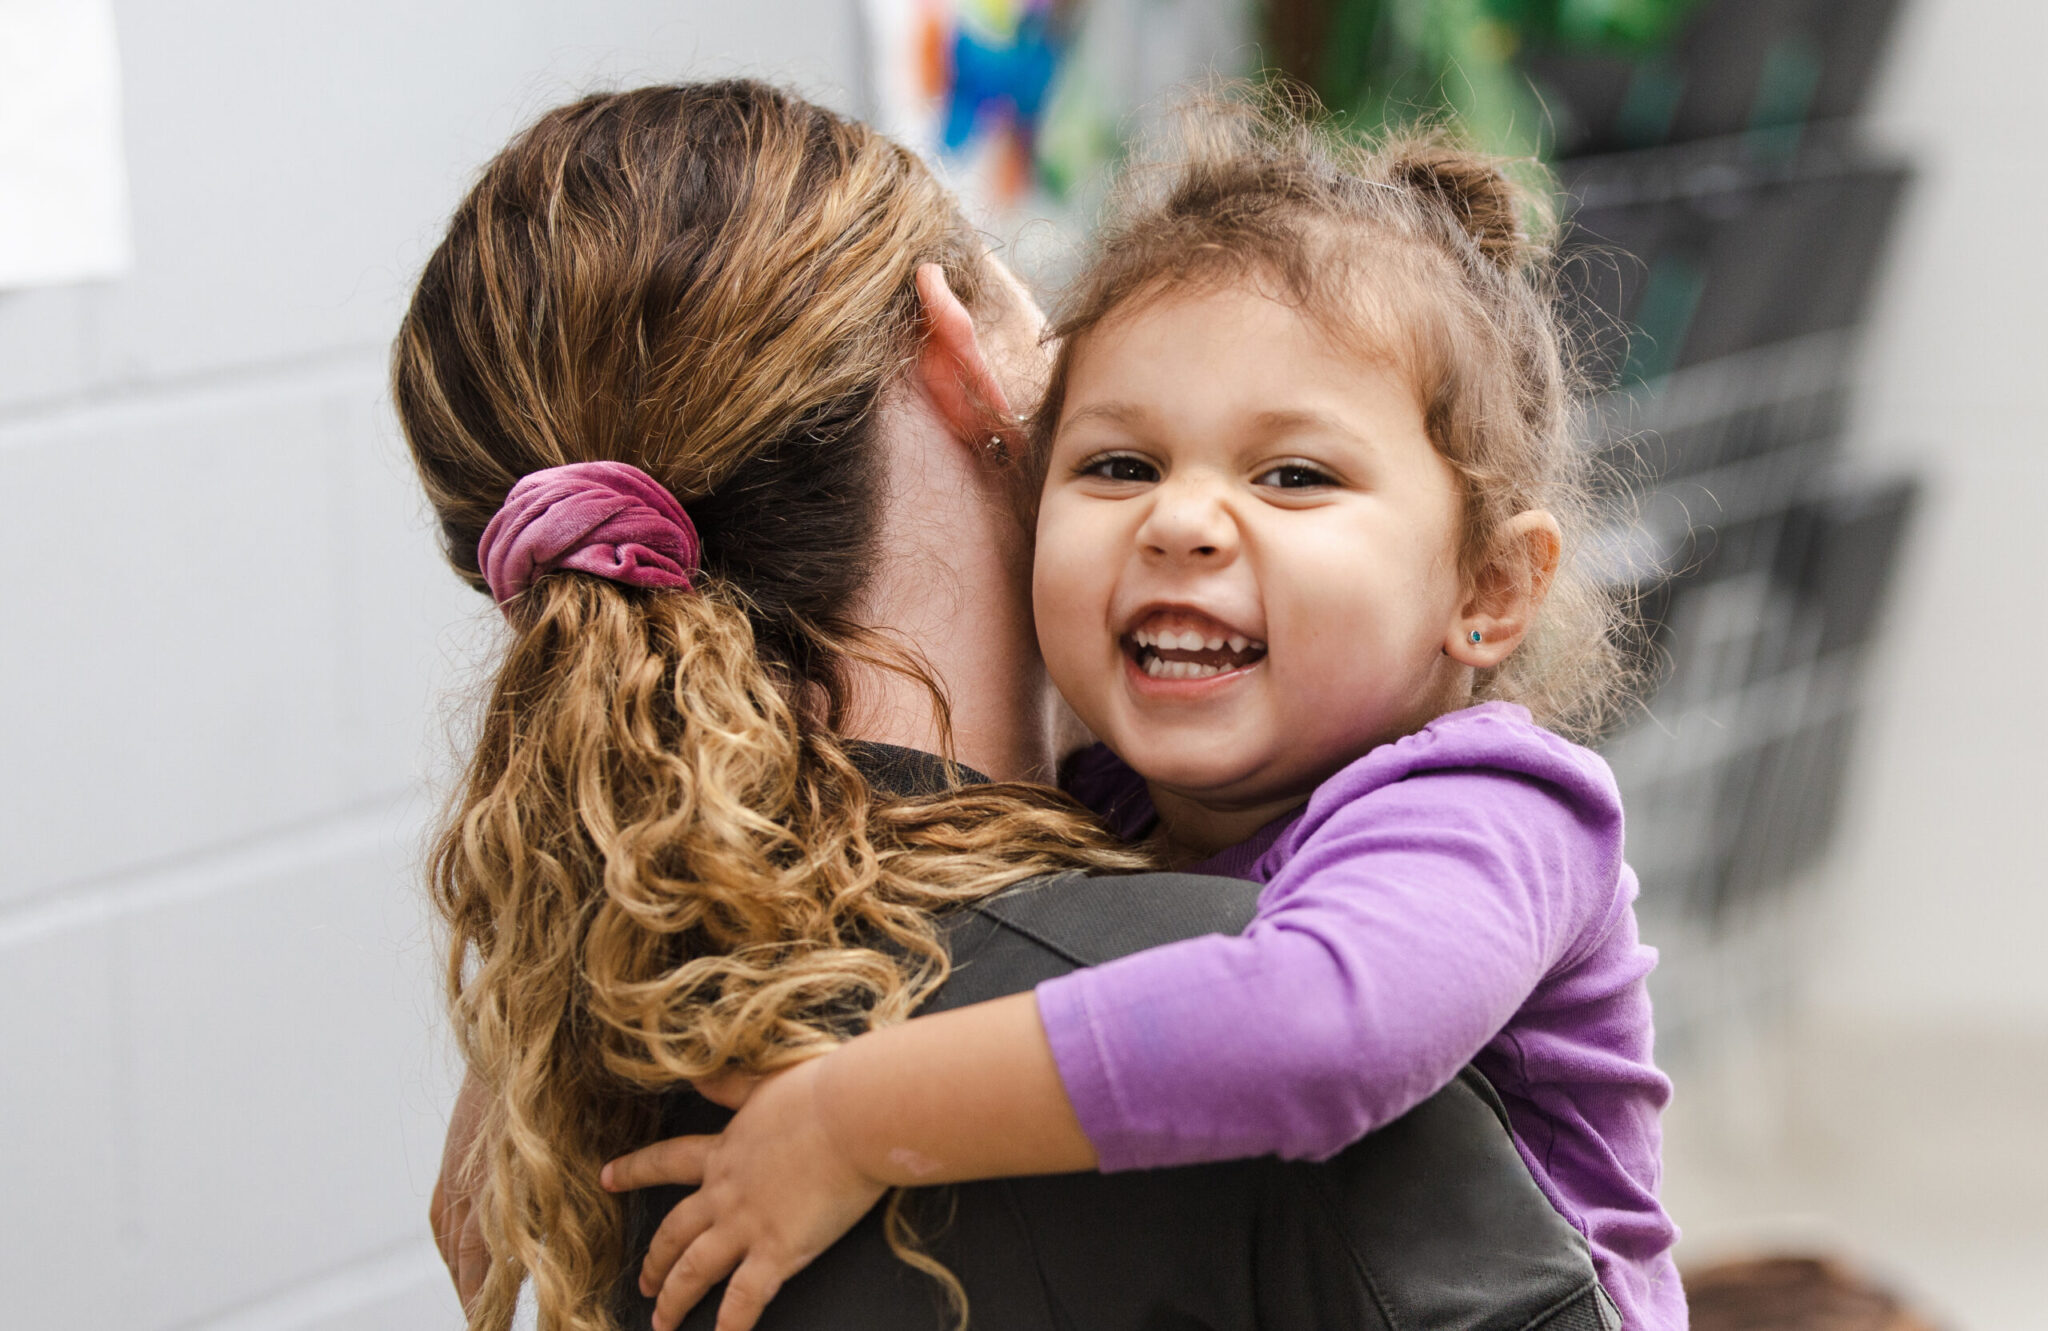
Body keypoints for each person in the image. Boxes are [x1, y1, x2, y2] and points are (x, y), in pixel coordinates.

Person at [402, 80, 1618, 1331]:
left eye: (1294, 474)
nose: (1185, 519)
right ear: (962, 360)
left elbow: (1320, 1019)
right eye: (1123, 459)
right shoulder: (1209, 1020)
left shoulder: (638, 1042)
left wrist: (565, 1018)